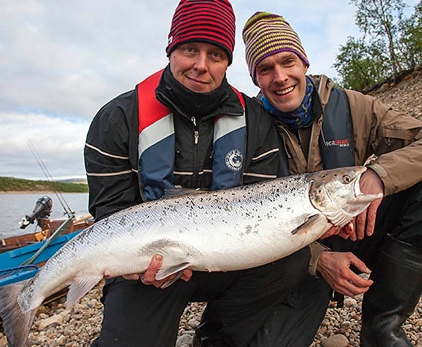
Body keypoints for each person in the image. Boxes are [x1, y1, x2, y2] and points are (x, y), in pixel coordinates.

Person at [84, 2, 316, 346]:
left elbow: (263, 205)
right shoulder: (117, 117)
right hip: (145, 265)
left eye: (216, 54)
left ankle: (214, 337)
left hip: (227, 259)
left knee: (291, 259)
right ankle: (26, 297)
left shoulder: (256, 121)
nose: (200, 65)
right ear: (171, 48)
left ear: (228, 62)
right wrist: (134, 267)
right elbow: (109, 212)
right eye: (190, 49)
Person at [238, 11, 422, 346]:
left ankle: (382, 327)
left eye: (287, 61)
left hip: (356, 229)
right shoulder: (244, 130)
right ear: (256, 78)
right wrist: (318, 259)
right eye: (266, 68)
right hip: (293, 257)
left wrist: (379, 176)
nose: (280, 77)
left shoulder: (354, 106)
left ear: (304, 62)